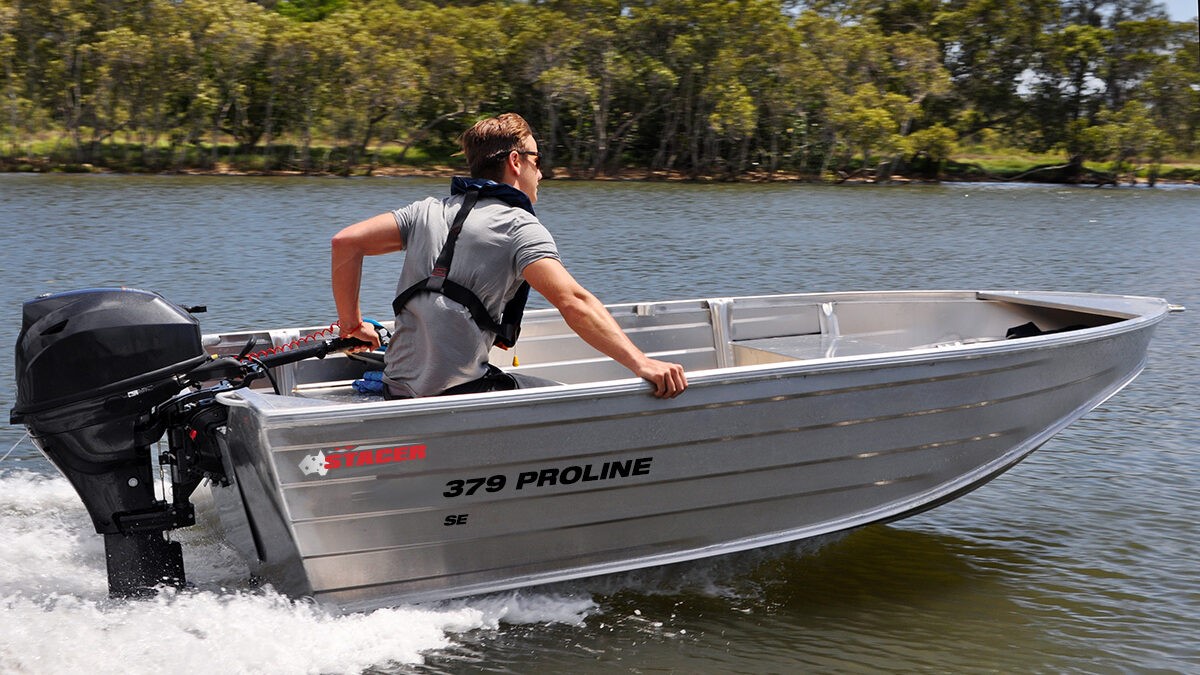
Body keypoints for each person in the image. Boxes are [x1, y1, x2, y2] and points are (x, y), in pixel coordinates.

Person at [331, 112, 687, 399]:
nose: (541, 172)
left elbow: (346, 242)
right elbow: (574, 301)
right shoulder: (519, 227)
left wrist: (353, 326)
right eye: (537, 159)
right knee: (567, 398)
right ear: (516, 161)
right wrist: (641, 363)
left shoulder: (425, 210)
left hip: (397, 388)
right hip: (457, 393)